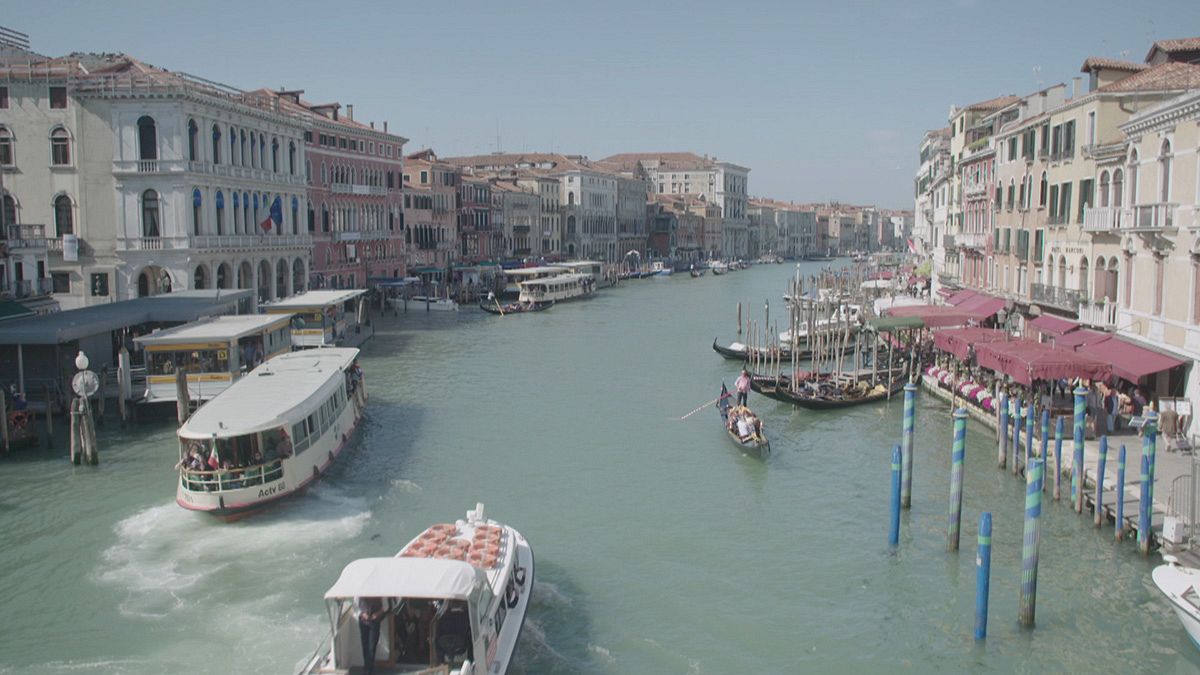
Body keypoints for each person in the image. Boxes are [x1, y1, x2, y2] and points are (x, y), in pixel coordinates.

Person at [357, 597, 386, 675]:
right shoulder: (359, 593)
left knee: (372, 646)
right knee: (365, 645)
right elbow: (356, 606)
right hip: (363, 621)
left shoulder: (380, 593)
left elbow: (385, 607)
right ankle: (368, 668)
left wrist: (377, 614)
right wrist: (363, 614)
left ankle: (368, 669)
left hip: (374, 621)